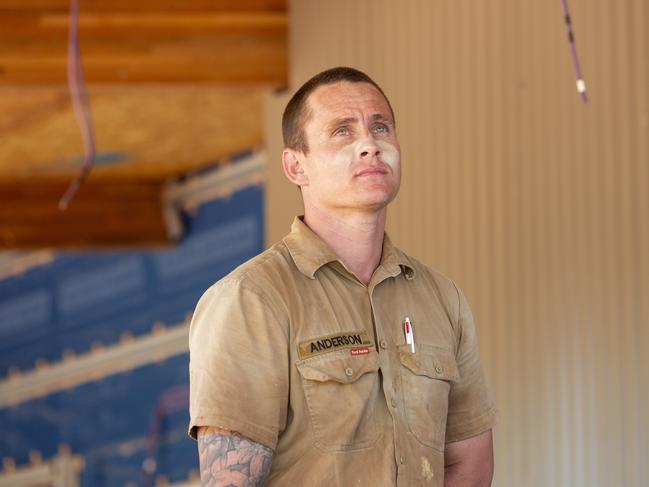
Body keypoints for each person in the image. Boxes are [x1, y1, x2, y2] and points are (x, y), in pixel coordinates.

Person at [188, 66, 497, 486]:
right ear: (296, 166)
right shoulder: (251, 300)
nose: (370, 144)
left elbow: (469, 464)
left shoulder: (442, 298)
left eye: (381, 127)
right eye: (342, 132)